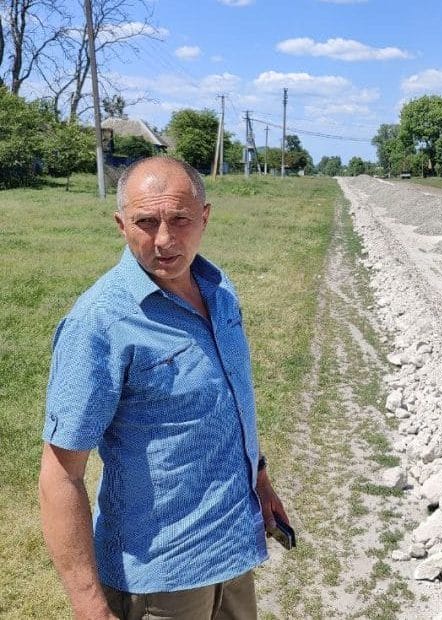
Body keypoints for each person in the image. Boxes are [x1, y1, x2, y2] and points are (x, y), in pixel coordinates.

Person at [38, 156, 288, 620]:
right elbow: (60, 473)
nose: (165, 241)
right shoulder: (100, 322)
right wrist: (89, 607)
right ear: (121, 224)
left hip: (234, 547)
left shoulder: (218, 288)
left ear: (206, 218)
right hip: (159, 579)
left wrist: (260, 477)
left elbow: (229, 398)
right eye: (146, 222)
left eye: (180, 220)